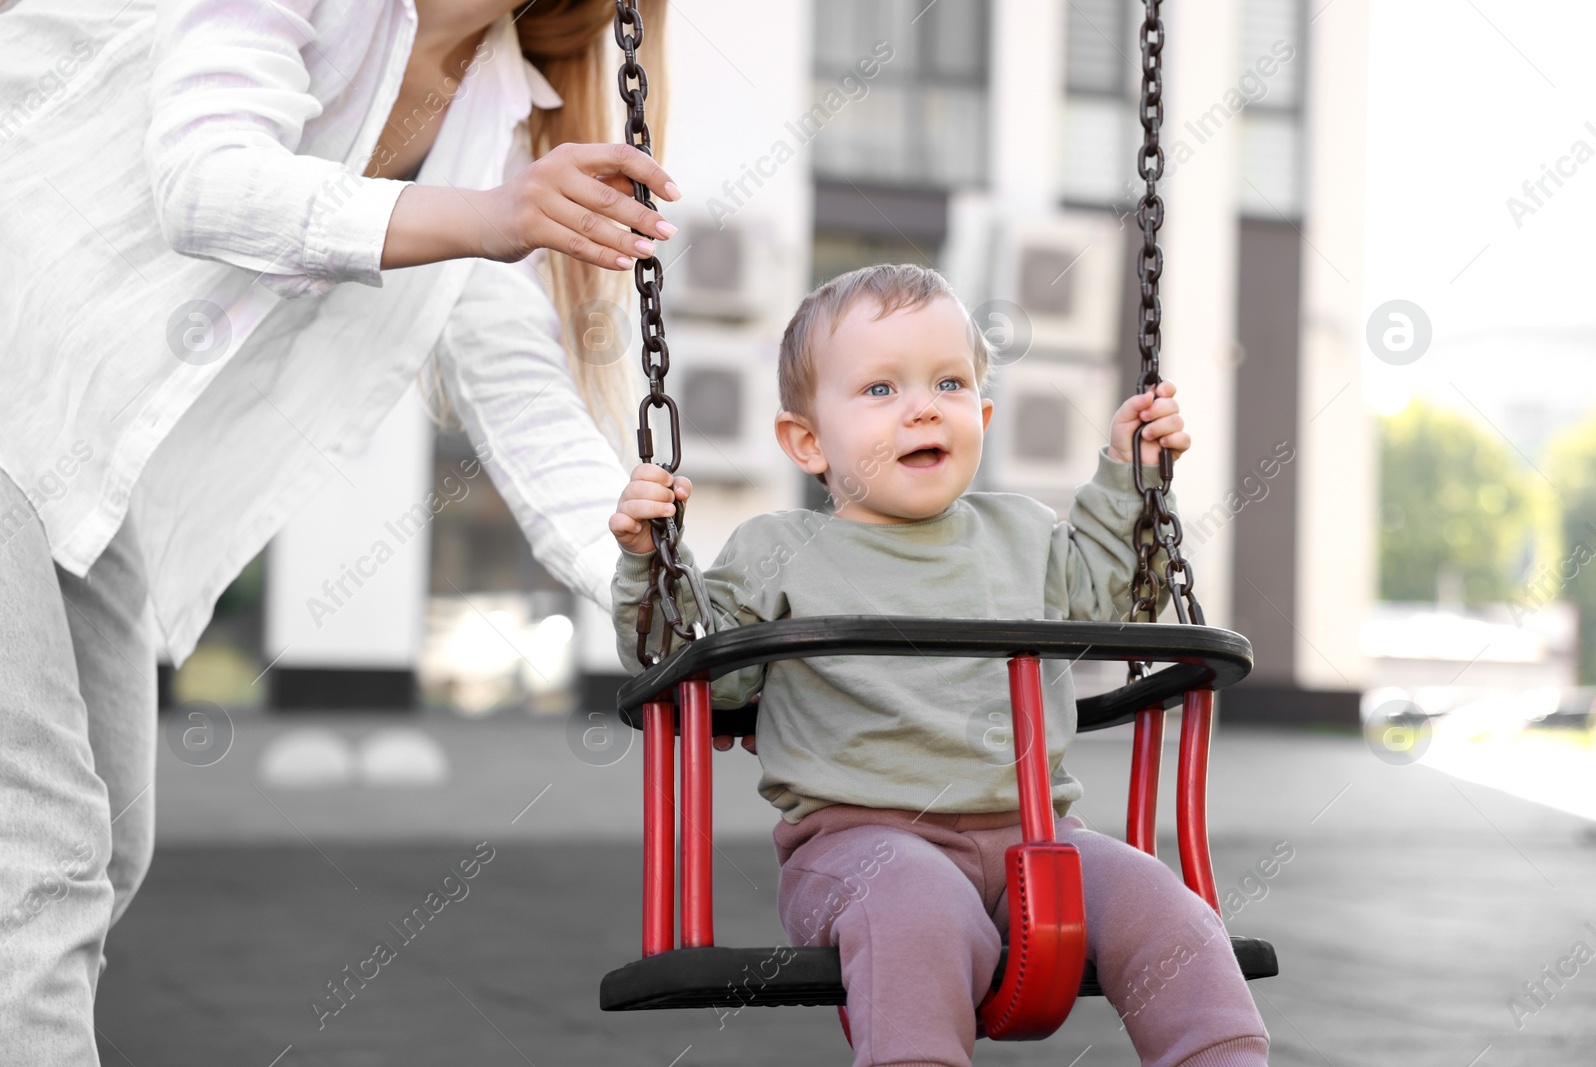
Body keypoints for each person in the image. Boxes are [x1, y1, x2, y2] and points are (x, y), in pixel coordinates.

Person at [0, 0, 673, 1061]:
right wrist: (483, 218)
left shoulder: (494, 108)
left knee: (108, 848)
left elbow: (519, 389)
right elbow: (206, 184)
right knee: (39, 856)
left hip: (72, 452)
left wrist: (664, 598)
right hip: (15, 354)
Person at [608, 264, 1272, 1067]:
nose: (923, 406)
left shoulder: (1024, 534)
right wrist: (651, 560)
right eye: (880, 389)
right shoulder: (777, 551)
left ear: (982, 414)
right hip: (859, 843)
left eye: (949, 383)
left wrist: (1132, 479)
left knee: (1165, 907)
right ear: (808, 441)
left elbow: (1116, 605)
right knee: (916, 910)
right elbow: (694, 677)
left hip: (1043, 837)